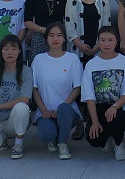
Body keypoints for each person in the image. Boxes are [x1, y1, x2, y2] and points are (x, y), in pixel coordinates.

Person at [81, 26, 125, 160]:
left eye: (110, 40)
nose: (106, 44)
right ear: (98, 41)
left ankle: (119, 143)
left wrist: (115, 107)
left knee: (115, 119)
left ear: (116, 41)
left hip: (120, 108)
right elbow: (89, 96)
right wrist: (94, 122)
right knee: (94, 140)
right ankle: (108, 137)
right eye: (103, 40)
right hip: (100, 108)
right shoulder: (91, 64)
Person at [31, 22, 83, 160]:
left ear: (64, 38)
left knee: (64, 109)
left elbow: (77, 87)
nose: (55, 39)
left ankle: (63, 143)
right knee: (45, 135)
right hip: (46, 112)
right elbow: (34, 88)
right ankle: (54, 136)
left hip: (67, 112)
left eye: (59, 35)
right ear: (46, 38)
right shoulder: (39, 59)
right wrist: (44, 110)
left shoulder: (72, 59)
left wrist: (61, 108)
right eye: (51, 35)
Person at [24, 0, 70, 65]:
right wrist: (43, 30)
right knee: (39, 66)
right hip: (39, 37)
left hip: (59, 37)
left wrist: (58, 31)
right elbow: (27, 21)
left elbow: (69, 18)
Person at [65, 0, 111, 64]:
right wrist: (79, 45)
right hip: (77, 48)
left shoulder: (103, 0)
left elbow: (106, 25)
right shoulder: (72, 0)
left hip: (99, 47)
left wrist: (98, 45)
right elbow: (69, 26)